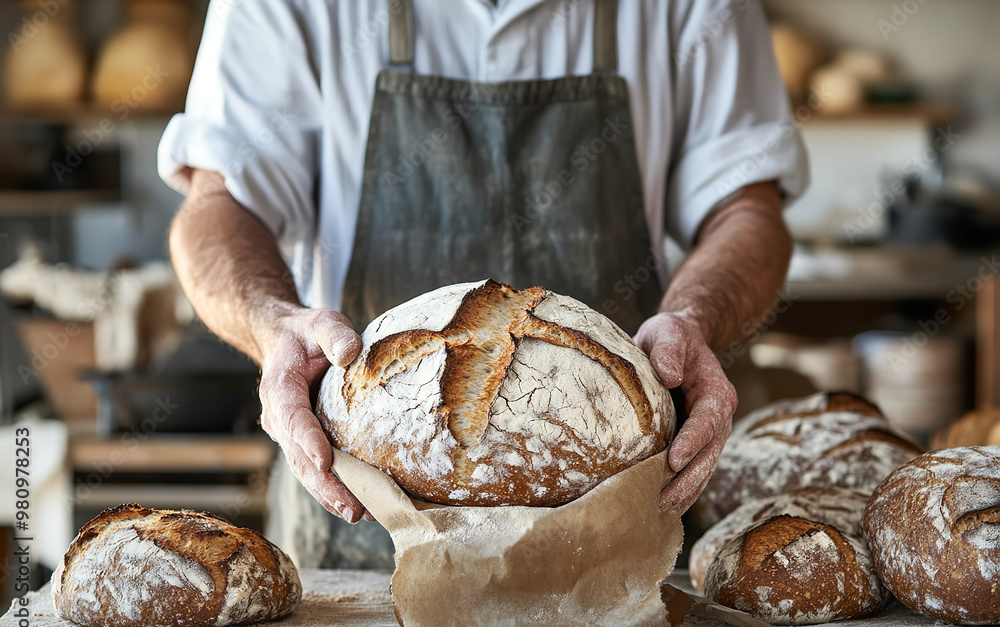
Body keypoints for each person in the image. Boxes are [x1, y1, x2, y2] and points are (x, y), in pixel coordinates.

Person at [160, 0, 808, 568]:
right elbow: (218, 204)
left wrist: (694, 322)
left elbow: (745, 211)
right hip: (362, 532)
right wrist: (272, 322)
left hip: (616, 530)